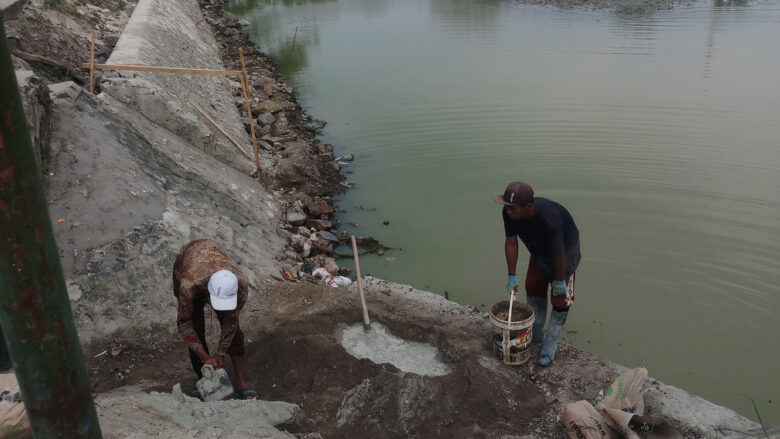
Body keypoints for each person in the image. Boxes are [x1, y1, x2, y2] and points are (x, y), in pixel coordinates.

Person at [494, 182, 581, 366]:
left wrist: (559, 282)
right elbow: (511, 242)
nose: (508, 212)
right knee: (533, 286)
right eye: (506, 207)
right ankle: (537, 332)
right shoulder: (509, 213)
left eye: (513, 209)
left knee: (559, 297)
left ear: (529, 207)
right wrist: (512, 274)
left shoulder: (550, 219)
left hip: (565, 253)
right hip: (539, 250)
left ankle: (550, 344)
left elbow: (559, 253)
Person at [172, 239, 257, 399]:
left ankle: (240, 382)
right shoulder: (189, 285)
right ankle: (205, 376)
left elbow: (231, 322)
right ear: (208, 292)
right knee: (195, 327)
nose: (220, 308)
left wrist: (220, 354)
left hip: (212, 260)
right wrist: (206, 357)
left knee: (236, 333)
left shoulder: (241, 284)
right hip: (189, 260)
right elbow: (184, 323)